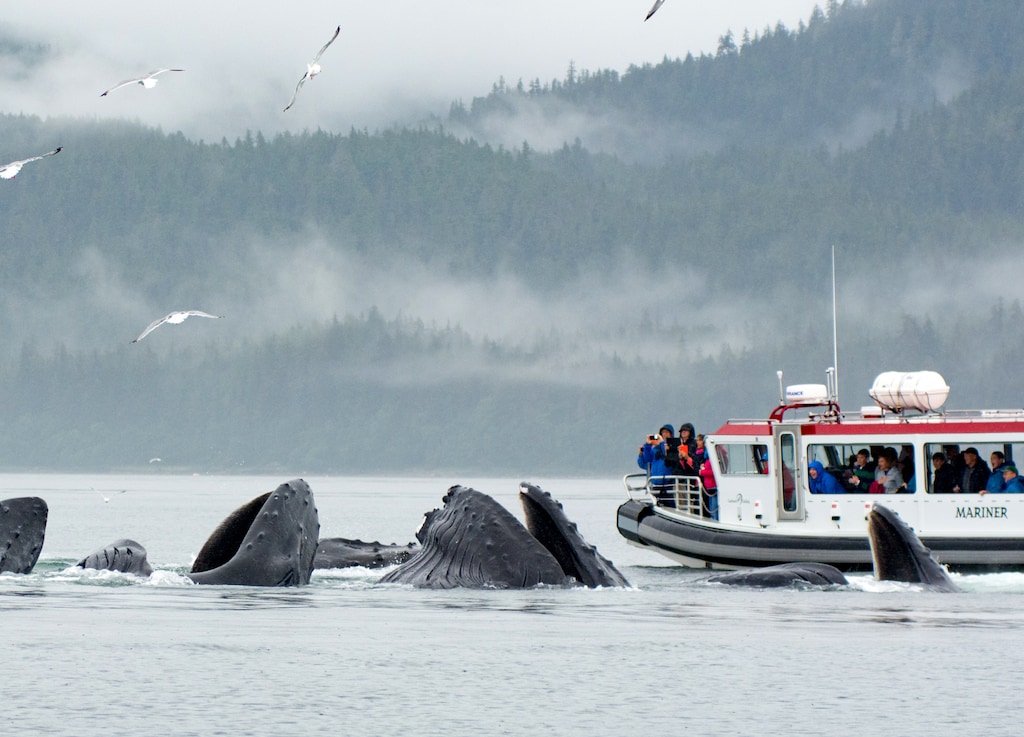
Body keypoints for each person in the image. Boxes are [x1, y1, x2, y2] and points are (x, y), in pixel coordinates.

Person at [699, 453, 719, 519]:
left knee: (713, 509)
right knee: (711, 508)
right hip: (709, 487)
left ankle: (715, 520)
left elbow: (713, 472)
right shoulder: (708, 460)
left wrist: (702, 472)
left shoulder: (712, 460)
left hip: (713, 487)